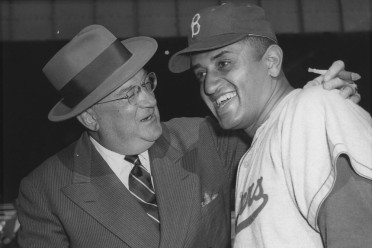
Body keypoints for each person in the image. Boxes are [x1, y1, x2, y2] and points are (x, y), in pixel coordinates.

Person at [16, 26, 358, 248]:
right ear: (90, 116)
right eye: (128, 94)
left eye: (146, 83)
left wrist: (312, 98)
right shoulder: (45, 192)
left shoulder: (204, 137)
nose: (149, 100)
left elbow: (271, 123)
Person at [168, 2, 372, 248]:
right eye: (201, 73)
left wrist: (320, 105)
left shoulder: (310, 111)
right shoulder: (254, 153)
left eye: (223, 64)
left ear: (272, 61)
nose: (208, 86)